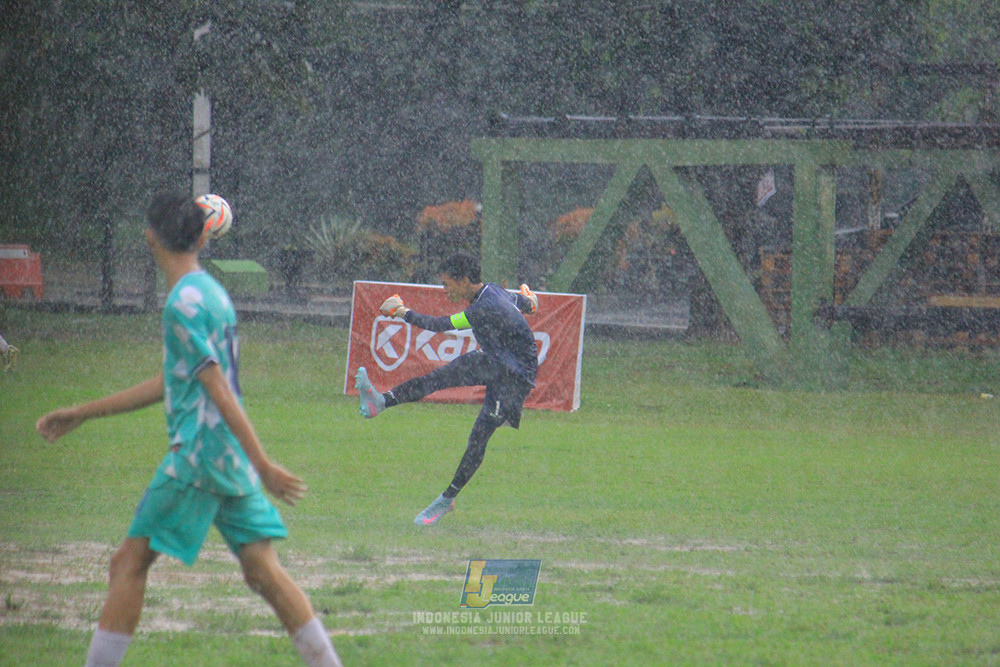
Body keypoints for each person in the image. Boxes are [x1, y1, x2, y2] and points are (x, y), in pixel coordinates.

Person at [35, 192, 342, 667]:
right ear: (204, 235)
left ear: (149, 237)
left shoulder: (181, 305)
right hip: (227, 456)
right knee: (262, 571)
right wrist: (85, 411)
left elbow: (217, 387)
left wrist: (264, 464)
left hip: (199, 454)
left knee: (128, 564)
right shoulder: (212, 294)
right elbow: (174, 381)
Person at [354, 252, 539, 526]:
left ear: (463, 280)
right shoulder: (493, 292)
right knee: (439, 377)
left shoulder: (484, 308)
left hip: (515, 377)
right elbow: (527, 303)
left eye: (447, 284)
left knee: (479, 436)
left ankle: (447, 498)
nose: (445, 290)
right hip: (495, 361)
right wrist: (531, 300)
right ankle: (380, 402)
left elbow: (441, 326)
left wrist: (401, 313)